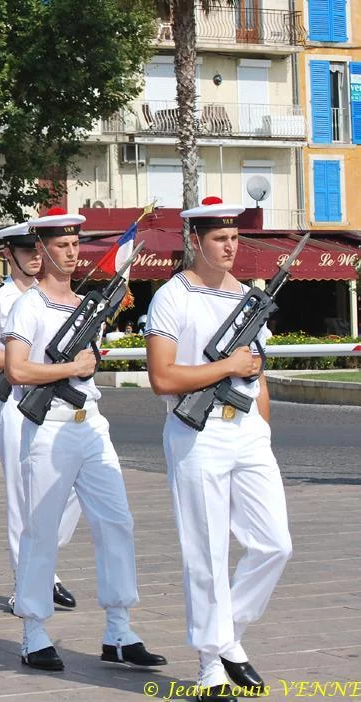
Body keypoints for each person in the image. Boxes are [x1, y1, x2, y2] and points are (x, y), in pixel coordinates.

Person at [4, 209, 164, 672]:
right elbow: (17, 370)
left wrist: (80, 371)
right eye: (61, 246)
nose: (71, 253)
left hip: (90, 422)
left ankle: (119, 628)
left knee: (117, 521)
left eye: (75, 245)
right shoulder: (27, 306)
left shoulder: (84, 307)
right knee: (42, 530)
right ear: (43, 251)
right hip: (49, 424)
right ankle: (33, 631)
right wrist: (69, 369)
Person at [145, 197, 291, 702]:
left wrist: (262, 428)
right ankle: (210, 663)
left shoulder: (249, 298)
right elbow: (163, 378)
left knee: (275, 544)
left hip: (248, 431)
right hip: (197, 434)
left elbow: (259, 370)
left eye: (234, 238)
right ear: (195, 241)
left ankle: (228, 635)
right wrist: (227, 367)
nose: (230, 247)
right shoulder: (172, 296)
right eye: (220, 239)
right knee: (205, 549)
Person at [0, 222, 80, 614]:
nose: (35, 257)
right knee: (22, 495)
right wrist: (32, 355)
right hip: (18, 404)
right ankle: (27, 581)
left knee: (72, 490)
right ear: (9, 255)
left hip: (58, 405)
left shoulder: (56, 296)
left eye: (37, 250)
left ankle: (42, 562)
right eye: (26, 251)